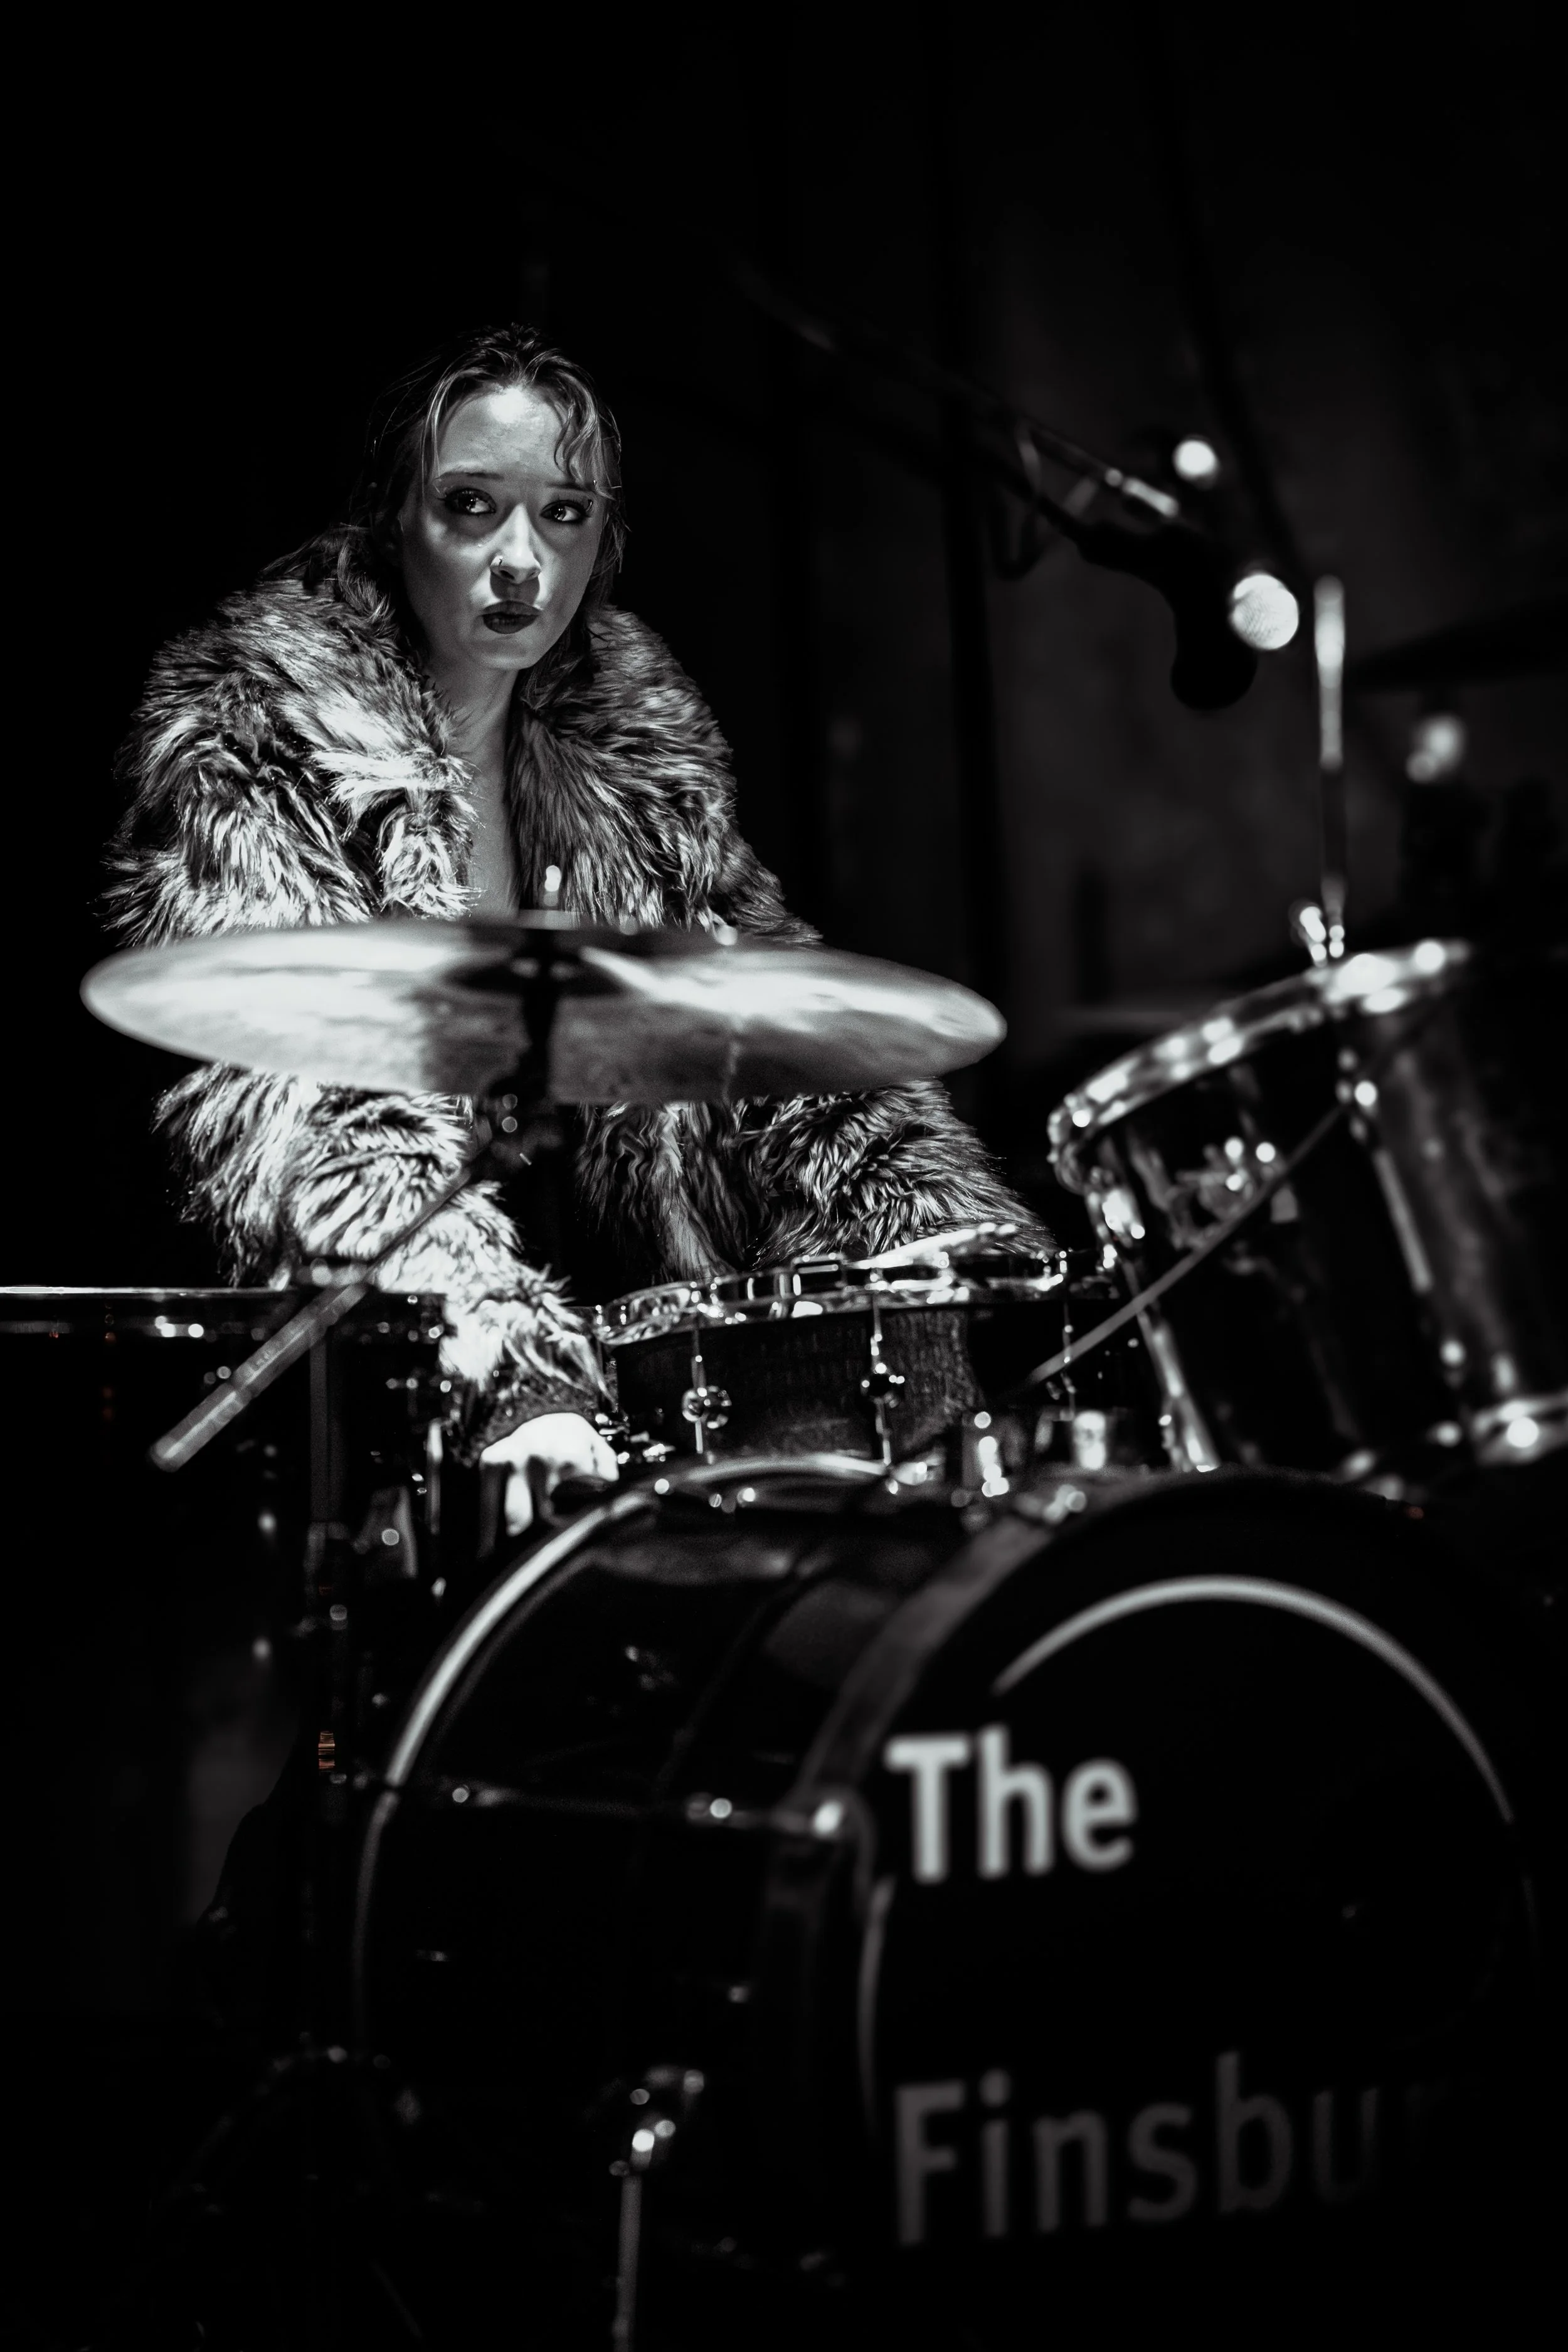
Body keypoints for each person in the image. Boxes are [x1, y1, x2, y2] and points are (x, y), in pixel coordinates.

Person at [110, 324, 1039, 1534]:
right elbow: (314, 1125)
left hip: (648, 1369)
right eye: (472, 506)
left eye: (562, 515)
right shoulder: (264, 733)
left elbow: (777, 1036)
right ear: (397, 518)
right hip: (392, 1410)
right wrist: (515, 1379)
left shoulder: (629, 748)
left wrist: (948, 1247)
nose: (519, 561)